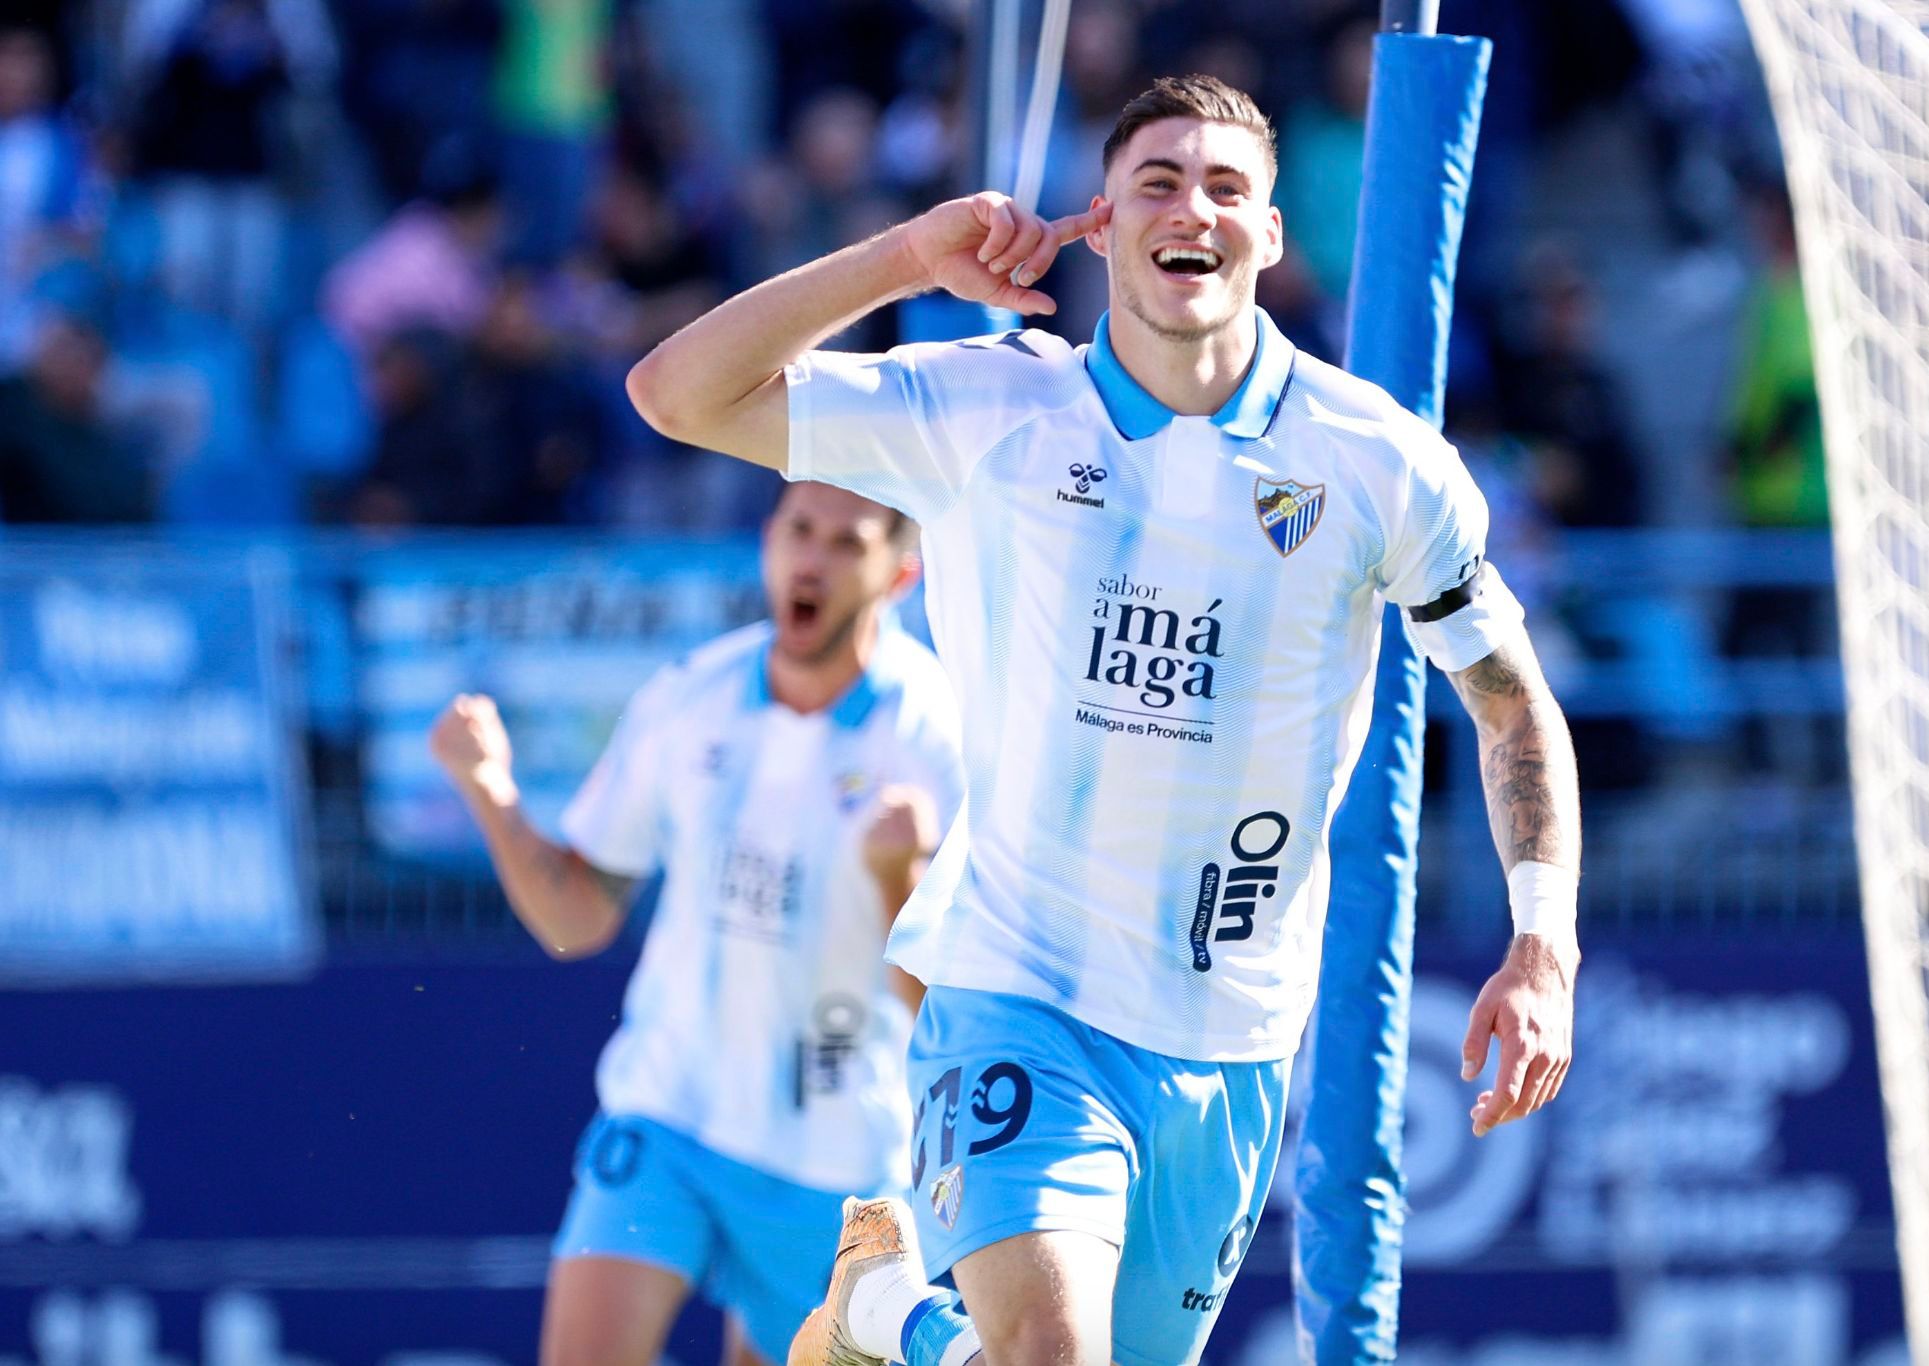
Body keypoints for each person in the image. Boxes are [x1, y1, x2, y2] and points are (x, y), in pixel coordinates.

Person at [626, 73, 1582, 1366]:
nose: (1194, 207)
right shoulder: (989, 407)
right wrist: (906, 254)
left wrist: (1544, 946)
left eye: (1228, 187)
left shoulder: (1376, 462)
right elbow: (677, 391)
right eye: (1160, 181)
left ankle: (891, 1313)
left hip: (1228, 1038)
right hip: (1018, 986)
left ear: (1274, 236)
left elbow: (1512, 701)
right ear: (1104, 221)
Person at [426, 481, 962, 1366]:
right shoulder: (693, 696)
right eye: (798, 531)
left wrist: (899, 882)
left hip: (836, 1168)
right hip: (667, 1115)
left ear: (900, 575)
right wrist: (491, 794)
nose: (812, 560)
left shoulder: (935, 732)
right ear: (767, 543)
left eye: (845, 542)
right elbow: (577, 917)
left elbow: (946, 1017)